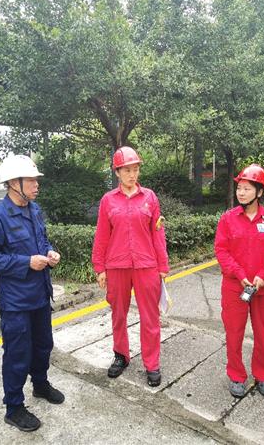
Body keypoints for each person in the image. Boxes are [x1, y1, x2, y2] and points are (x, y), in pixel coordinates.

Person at [0, 154, 64, 432]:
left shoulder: (34, 210)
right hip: (16, 301)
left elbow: (42, 240)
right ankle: (14, 407)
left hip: (40, 294)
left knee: (43, 345)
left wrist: (49, 251)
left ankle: (40, 385)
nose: (37, 185)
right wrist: (26, 262)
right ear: (14, 183)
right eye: (31, 180)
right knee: (17, 353)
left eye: (36, 180)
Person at [91, 146, 169, 387]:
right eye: (127, 170)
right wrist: (99, 267)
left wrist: (163, 265)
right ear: (117, 172)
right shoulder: (108, 201)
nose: (132, 175)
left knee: (150, 316)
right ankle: (121, 356)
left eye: (135, 169)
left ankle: (152, 363)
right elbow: (102, 235)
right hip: (117, 266)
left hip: (146, 265)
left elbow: (158, 233)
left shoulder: (149, 198)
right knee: (118, 313)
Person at [214, 164, 264, 399]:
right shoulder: (228, 219)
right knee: (234, 332)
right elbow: (221, 250)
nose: (241, 193)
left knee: (263, 333)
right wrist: (238, 274)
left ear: (260, 192)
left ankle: (263, 375)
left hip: (263, 288)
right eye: (239, 188)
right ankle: (236, 375)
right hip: (234, 287)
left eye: (246, 189)